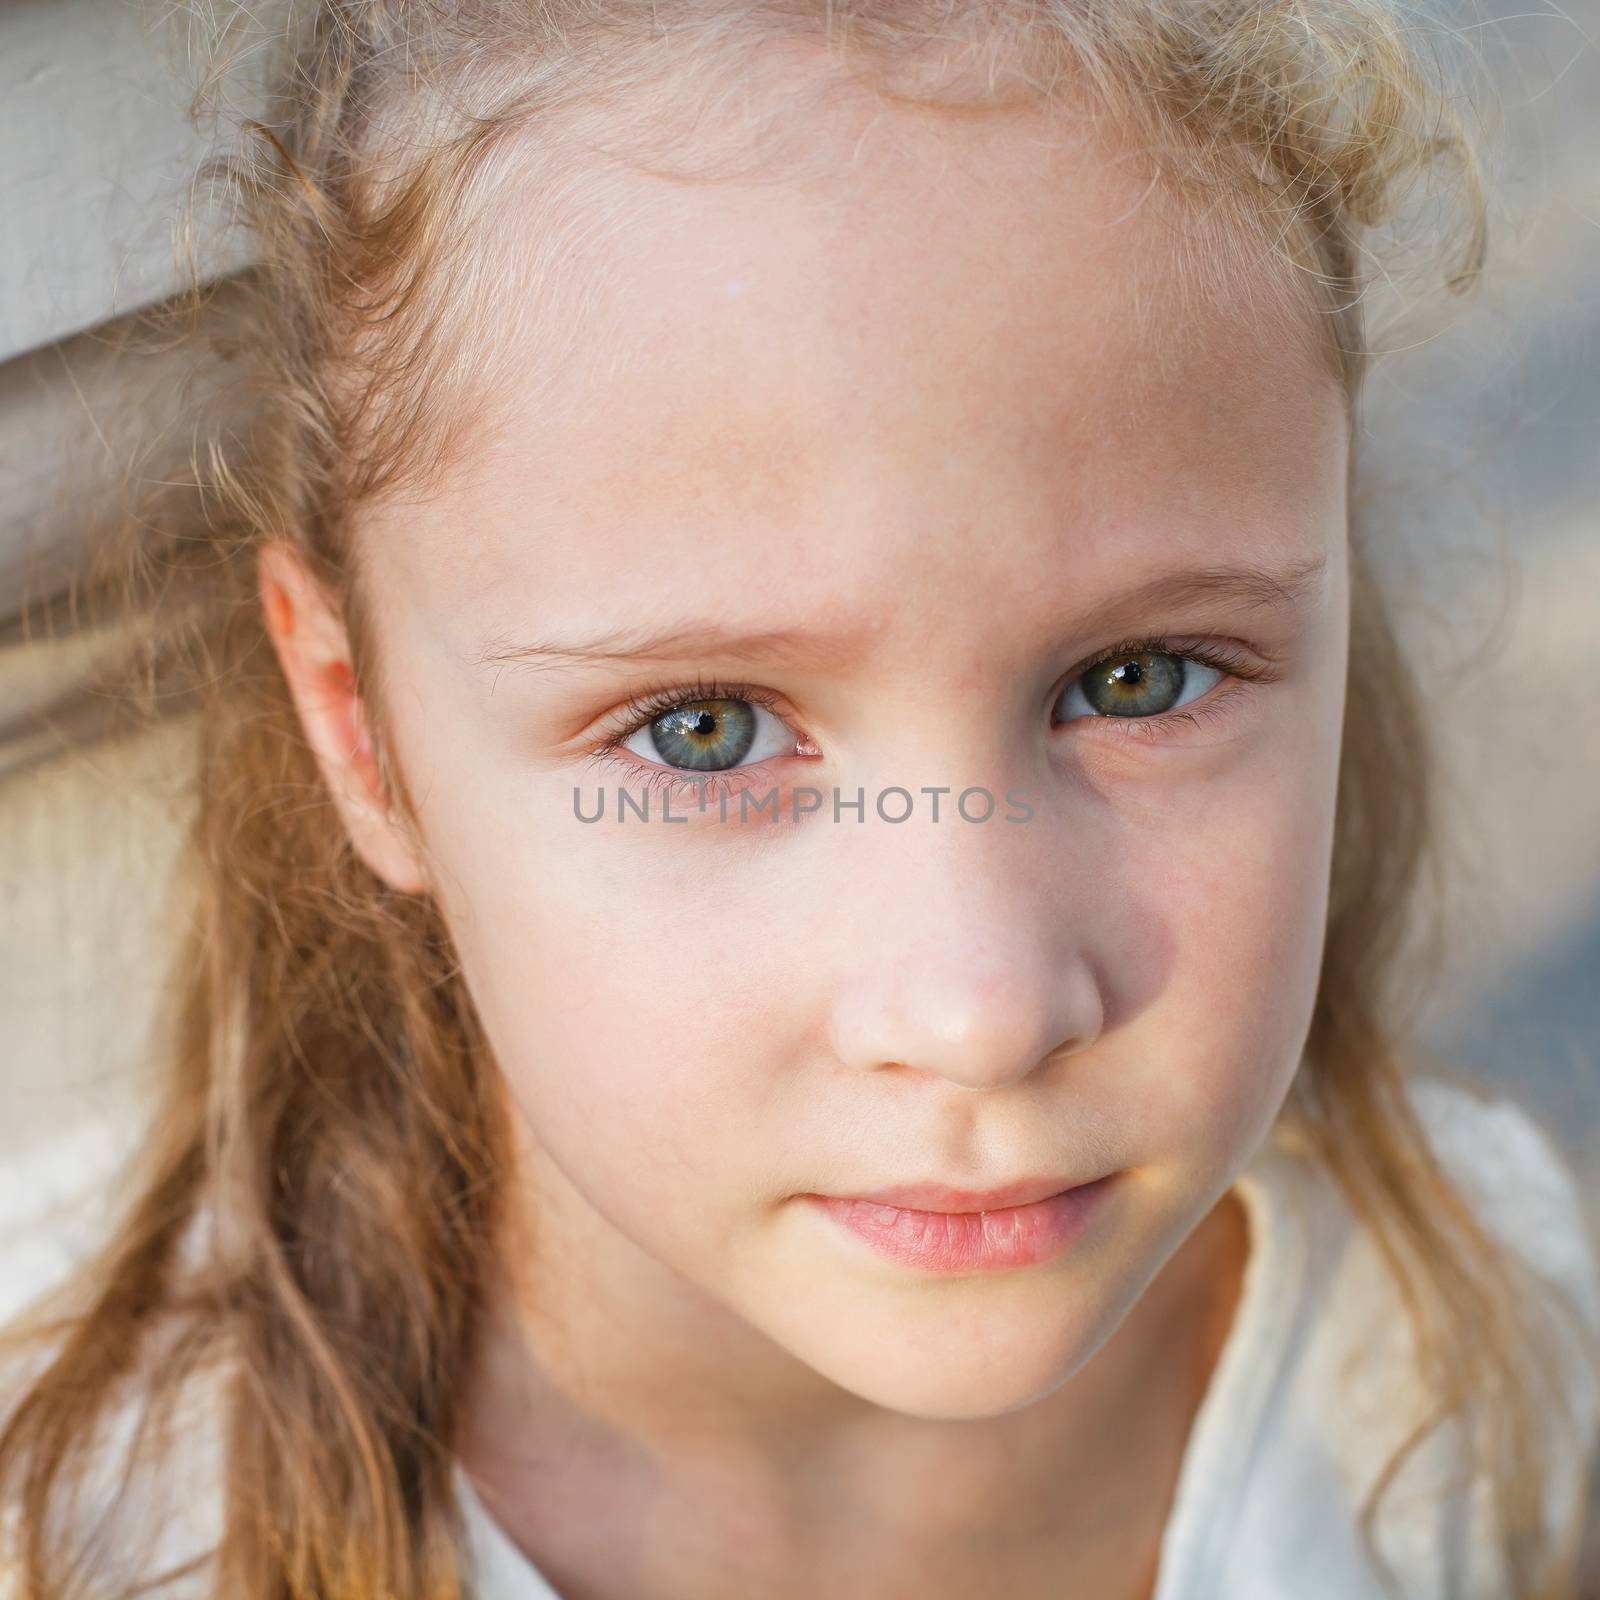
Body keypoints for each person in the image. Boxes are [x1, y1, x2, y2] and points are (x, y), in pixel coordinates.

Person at [1, 2, 1596, 1597]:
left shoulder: (1459, 1374)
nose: (982, 1010)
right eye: (702, 731)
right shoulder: (87, 1517)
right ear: (363, 736)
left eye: (1139, 680)